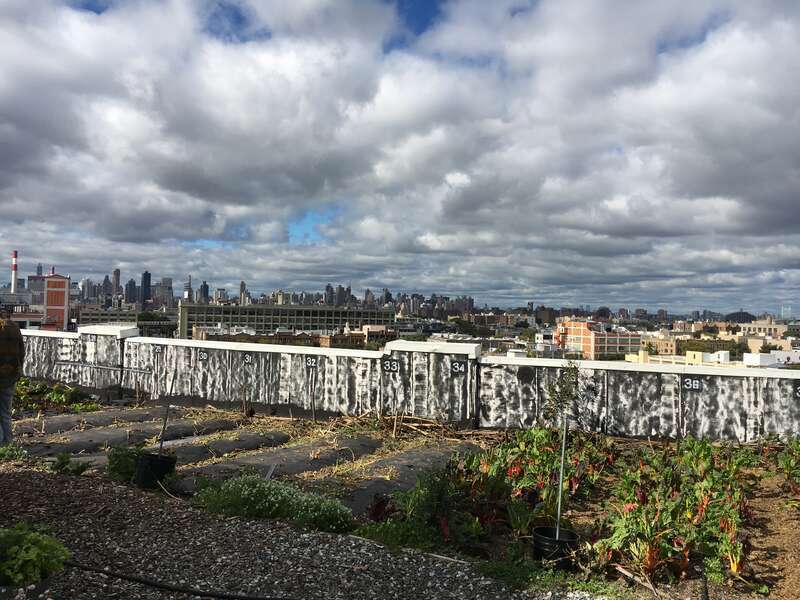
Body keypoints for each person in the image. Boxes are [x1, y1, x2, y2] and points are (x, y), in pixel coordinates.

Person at [0, 310, 25, 445]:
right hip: (10, 375)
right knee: (6, 412)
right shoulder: (15, 328)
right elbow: (22, 352)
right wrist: (18, 370)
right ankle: (8, 442)